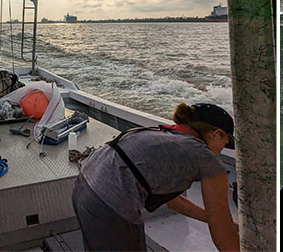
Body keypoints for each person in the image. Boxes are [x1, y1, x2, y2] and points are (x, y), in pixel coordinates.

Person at [72, 102, 240, 251]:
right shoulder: (205, 158)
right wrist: (224, 225)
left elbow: (175, 203)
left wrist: (221, 222)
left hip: (84, 187)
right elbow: (224, 238)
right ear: (216, 133)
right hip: (110, 205)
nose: (225, 145)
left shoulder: (163, 135)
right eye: (227, 140)